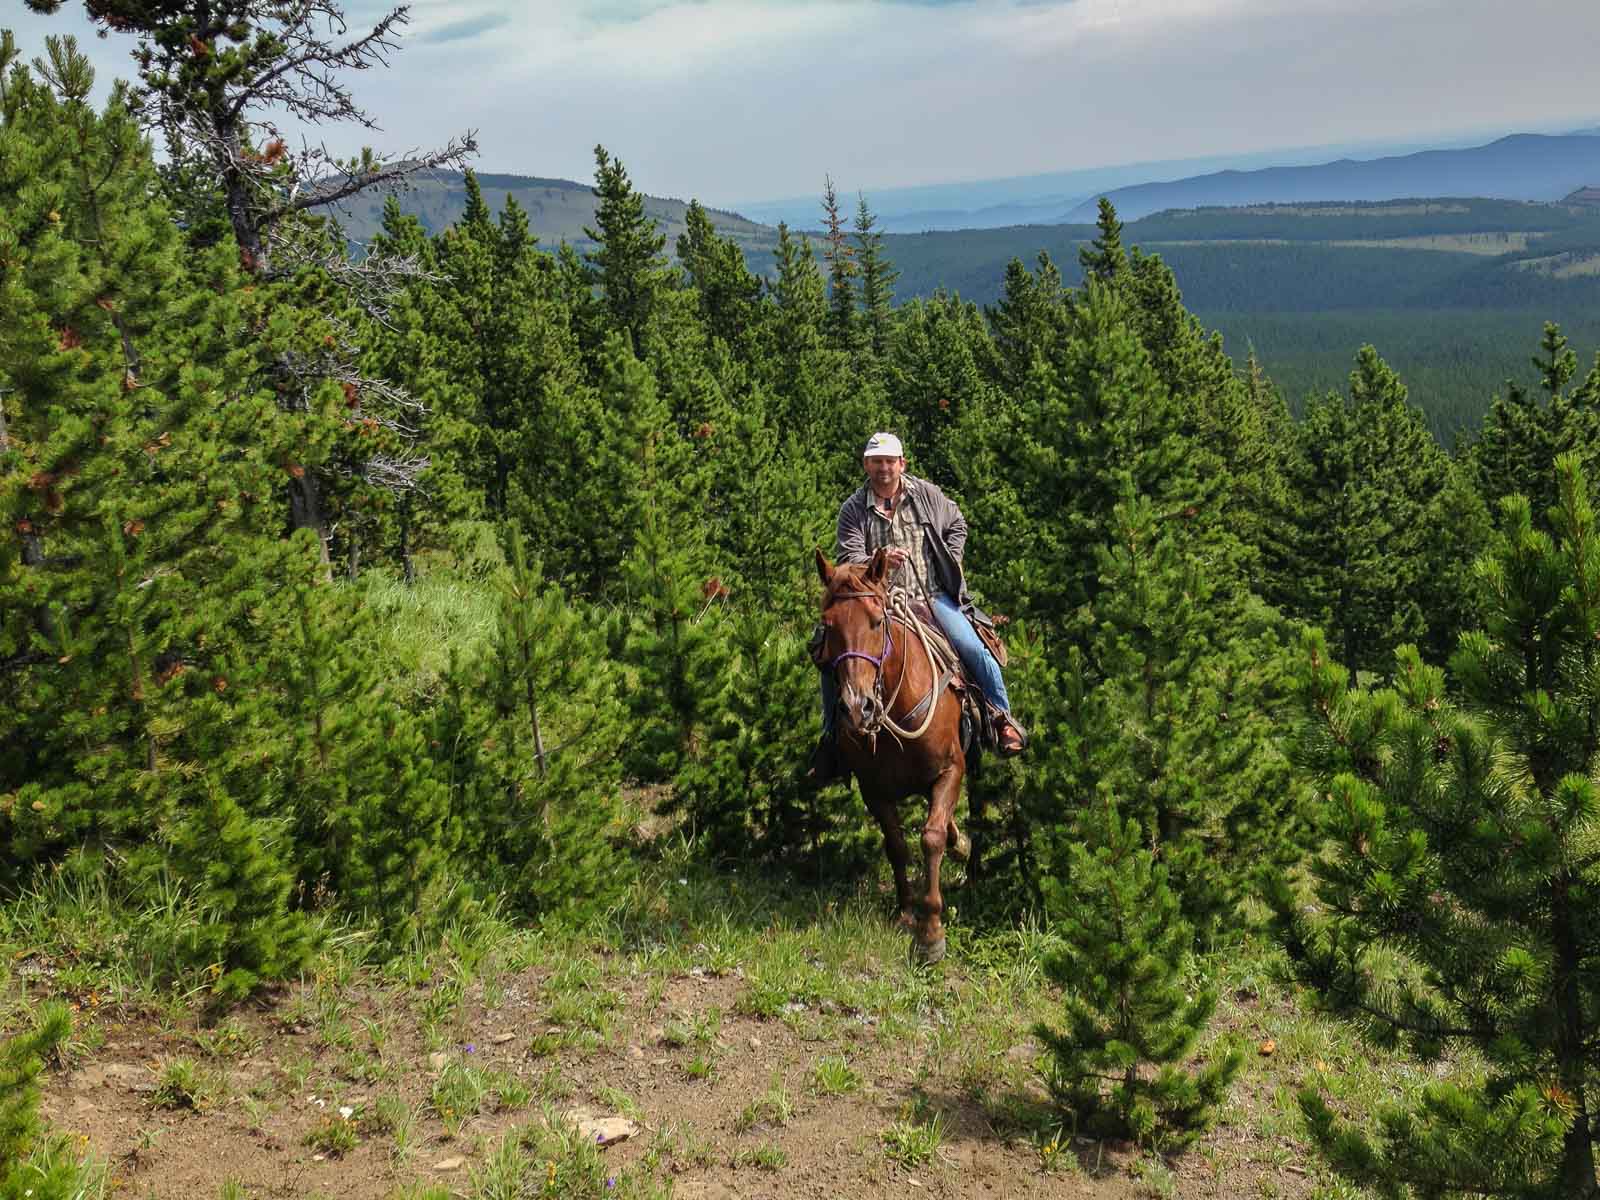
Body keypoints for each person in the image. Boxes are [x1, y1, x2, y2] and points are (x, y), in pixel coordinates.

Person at [806, 431, 1026, 785]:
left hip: (930, 595)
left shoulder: (925, 495)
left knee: (972, 646)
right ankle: (832, 739)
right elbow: (848, 559)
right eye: (876, 462)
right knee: (832, 653)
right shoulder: (852, 509)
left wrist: (949, 560)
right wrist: (877, 564)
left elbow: (957, 524)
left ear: (901, 464)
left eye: (889, 461)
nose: (883, 469)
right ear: (866, 465)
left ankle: (1001, 717)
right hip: (877, 602)